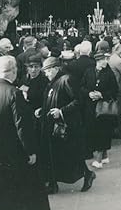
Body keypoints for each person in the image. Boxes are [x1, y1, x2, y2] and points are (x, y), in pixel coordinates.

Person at [0, 55, 50, 210]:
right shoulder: (14, 93)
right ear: (14, 71)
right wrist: (30, 151)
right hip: (12, 150)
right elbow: (22, 126)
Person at [36, 56, 96, 194]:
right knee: (54, 155)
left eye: (47, 71)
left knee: (70, 155)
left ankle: (87, 174)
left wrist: (61, 112)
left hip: (66, 126)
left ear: (56, 69)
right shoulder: (52, 82)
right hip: (53, 125)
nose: (45, 74)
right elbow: (51, 100)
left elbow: (78, 101)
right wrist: (42, 109)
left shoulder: (66, 80)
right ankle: (53, 183)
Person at [81, 51, 118, 168]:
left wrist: (101, 94)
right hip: (91, 107)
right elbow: (82, 86)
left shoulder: (109, 74)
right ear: (97, 61)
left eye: (107, 60)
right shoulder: (89, 72)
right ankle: (104, 156)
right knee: (93, 130)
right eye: (103, 60)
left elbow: (115, 90)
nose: (106, 62)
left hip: (103, 108)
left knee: (102, 131)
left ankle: (98, 159)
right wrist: (89, 93)